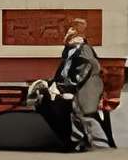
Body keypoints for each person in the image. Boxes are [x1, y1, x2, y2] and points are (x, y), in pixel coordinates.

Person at [22, 20, 105, 152]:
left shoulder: (84, 50)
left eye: (70, 30)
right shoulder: (68, 52)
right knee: (44, 102)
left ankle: (74, 140)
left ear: (77, 35)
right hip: (68, 89)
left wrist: (66, 88)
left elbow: (83, 73)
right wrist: (49, 83)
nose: (66, 34)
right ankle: (67, 138)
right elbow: (61, 74)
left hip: (83, 91)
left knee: (61, 105)